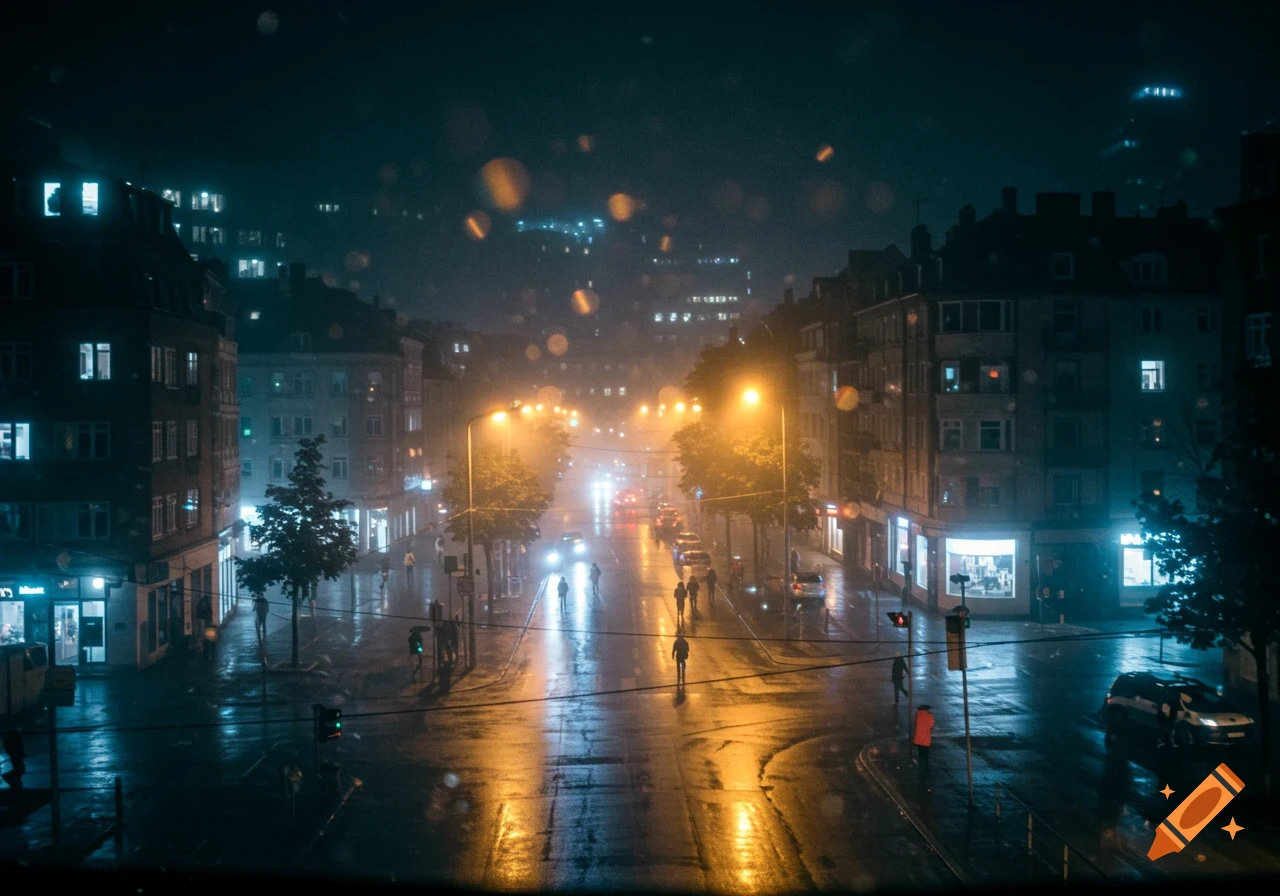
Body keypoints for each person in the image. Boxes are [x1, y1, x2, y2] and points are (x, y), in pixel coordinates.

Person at [913, 705, 935, 775]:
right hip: (925, 738)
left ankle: (921, 766)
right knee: (926, 754)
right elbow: (931, 725)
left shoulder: (917, 714)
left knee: (920, 753)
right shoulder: (929, 716)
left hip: (918, 738)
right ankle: (925, 768)